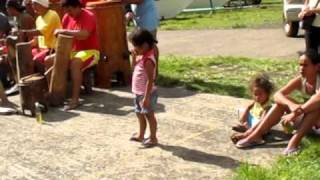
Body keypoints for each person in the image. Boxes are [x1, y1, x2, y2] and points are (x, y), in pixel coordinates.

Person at [235, 50, 320, 155]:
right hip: (309, 123)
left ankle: (293, 144)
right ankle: (256, 135)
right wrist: (291, 105)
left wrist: (295, 113)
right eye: (300, 65)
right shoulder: (301, 80)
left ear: (317, 67)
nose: (301, 68)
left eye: (305, 65)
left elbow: (317, 99)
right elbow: (277, 95)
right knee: (279, 104)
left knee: (316, 108)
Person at [51, 0, 100, 110]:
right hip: (71, 51)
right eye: (66, 10)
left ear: (78, 7)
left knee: (76, 62)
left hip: (91, 51)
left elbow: (84, 34)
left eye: (70, 10)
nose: (68, 13)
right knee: (49, 60)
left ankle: (75, 100)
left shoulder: (89, 15)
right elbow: (62, 36)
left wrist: (63, 31)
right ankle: (56, 95)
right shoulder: (66, 17)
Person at [128, 29, 158, 147]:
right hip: (138, 92)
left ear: (145, 45)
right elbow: (133, 68)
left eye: (136, 46)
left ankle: (153, 138)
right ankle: (141, 135)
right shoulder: (142, 56)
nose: (134, 49)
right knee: (139, 114)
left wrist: (146, 97)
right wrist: (134, 58)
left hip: (146, 94)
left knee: (149, 116)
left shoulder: (148, 60)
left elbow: (150, 80)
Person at [21, 0, 61, 69]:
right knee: (23, 56)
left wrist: (24, 32)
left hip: (52, 49)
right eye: (33, 5)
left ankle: (45, 78)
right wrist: (24, 46)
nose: (33, 7)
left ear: (43, 5)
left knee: (36, 60)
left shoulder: (52, 14)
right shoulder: (38, 19)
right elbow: (36, 39)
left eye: (35, 4)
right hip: (42, 49)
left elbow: (41, 32)